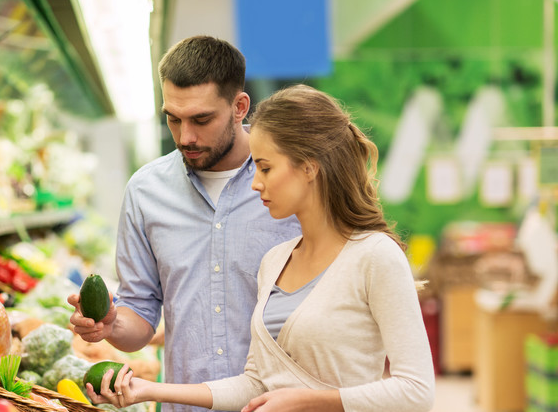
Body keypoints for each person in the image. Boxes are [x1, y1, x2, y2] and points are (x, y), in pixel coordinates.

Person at [85, 84, 436, 412]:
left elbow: (416, 391)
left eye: (265, 167)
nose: (255, 183)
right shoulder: (276, 261)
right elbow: (255, 384)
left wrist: (310, 402)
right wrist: (148, 390)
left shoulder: (374, 256)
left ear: (310, 167)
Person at [67, 36, 302, 412]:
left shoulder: (290, 185)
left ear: (240, 107)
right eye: (172, 119)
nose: (185, 137)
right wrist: (111, 325)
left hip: (282, 403)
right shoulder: (146, 192)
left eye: (201, 119)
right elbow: (140, 317)